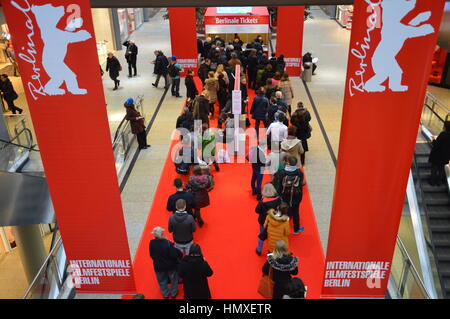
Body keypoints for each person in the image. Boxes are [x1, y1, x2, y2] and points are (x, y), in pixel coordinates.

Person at [273, 156, 306, 234]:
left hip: (284, 195)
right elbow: (300, 185)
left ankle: (280, 229)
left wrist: (279, 193)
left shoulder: (282, 172)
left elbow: (279, 184)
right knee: (296, 213)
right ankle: (296, 229)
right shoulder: (299, 172)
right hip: (296, 196)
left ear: (288, 163)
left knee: (282, 212)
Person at [149, 226, 182, 299]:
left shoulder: (151, 243)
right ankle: (174, 293)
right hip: (170, 265)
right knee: (173, 279)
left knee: (162, 281)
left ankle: (165, 294)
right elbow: (174, 254)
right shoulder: (167, 243)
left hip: (158, 266)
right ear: (162, 233)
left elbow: (151, 255)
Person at [255, 183, 282, 256]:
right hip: (274, 221)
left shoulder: (263, 202)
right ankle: (270, 250)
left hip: (263, 221)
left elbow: (257, 210)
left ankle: (259, 250)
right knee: (272, 235)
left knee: (262, 235)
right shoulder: (278, 199)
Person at [428, 121, 450, 186]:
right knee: (441, 170)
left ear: (445, 127)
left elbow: (436, 145)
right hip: (445, 157)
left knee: (434, 169)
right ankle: (439, 182)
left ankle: (432, 182)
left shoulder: (443, 134)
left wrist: (433, 140)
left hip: (437, 156)